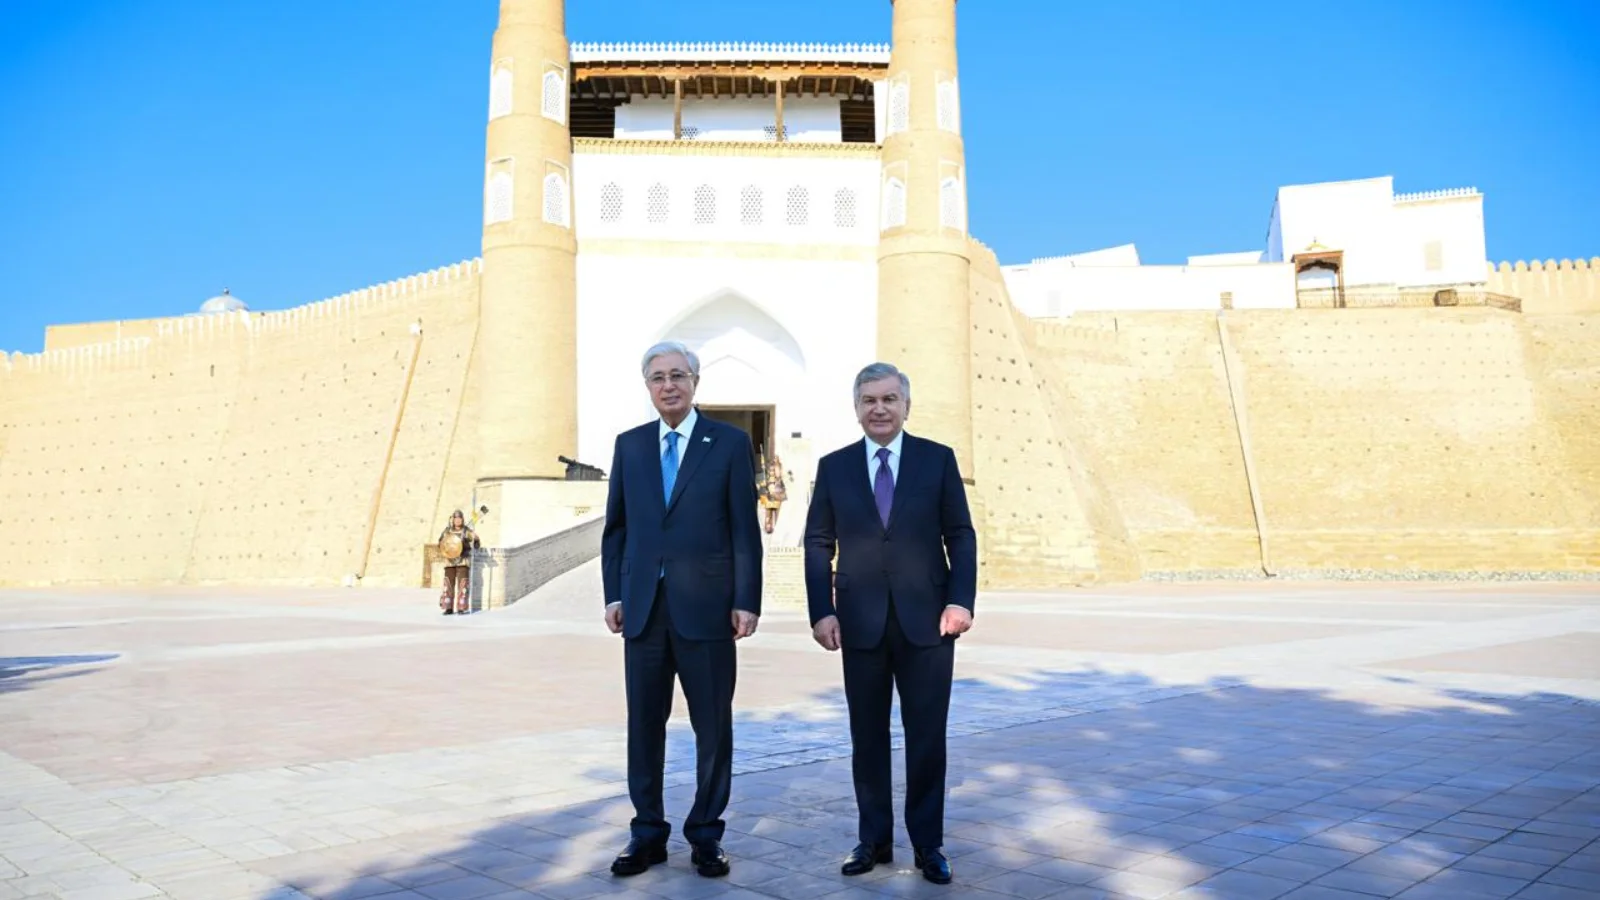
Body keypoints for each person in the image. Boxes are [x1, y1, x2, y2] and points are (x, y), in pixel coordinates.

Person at [802, 362, 977, 885]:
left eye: (889, 399)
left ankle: (928, 845)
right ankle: (873, 841)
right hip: (859, 623)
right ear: (856, 408)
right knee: (868, 737)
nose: (879, 408)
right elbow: (817, 542)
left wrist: (960, 601)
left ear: (906, 405)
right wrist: (821, 609)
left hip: (929, 623)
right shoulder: (834, 467)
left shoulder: (937, 460)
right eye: (869, 400)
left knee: (927, 738)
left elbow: (960, 536)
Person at [601, 340, 764, 879]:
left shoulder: (729, 443)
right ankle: (646, 833)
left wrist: (746, 599)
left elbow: (744, 526)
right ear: (647, 386)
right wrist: (615, 593)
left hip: (709, 610)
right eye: (657, 378)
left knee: (712, 726)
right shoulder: (630, 446)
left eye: (677, 375)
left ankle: (706, 835)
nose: (667, 385)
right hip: (644, 610)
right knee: (643, 726)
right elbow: (617, 529)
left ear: (696, 382)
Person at [437, 510, 479, 615]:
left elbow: (476, 543)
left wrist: (474, 540)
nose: (457, 520)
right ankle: (448, 607)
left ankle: (461, 607)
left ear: (462, 519)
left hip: (462, 561)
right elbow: (440, 543)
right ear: (453, 520)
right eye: (456, 518)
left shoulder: (466, 531)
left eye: (459, 518)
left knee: (463, 584)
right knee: (448, 584)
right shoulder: (447, 531)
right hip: (449, 561)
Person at [758, 456, 787, 534]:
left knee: (776, 515)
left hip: (776, 494)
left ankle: (776, 529)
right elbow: (765, 484)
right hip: (768, 495)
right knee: (768, 514)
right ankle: (768, 527)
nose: (772, 471)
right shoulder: (768, 475)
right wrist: (763, 484)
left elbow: (779, 477)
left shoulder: (778, 475)